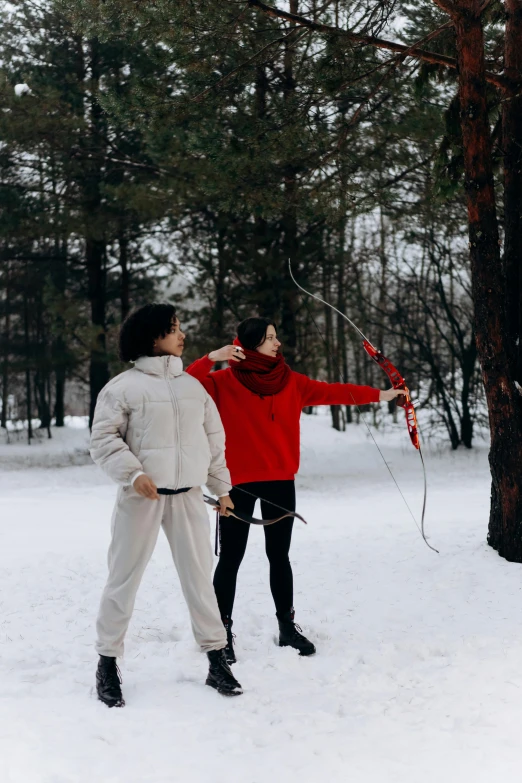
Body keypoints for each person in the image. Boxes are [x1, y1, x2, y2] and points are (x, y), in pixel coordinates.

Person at [186, 317, 406, 663]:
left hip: (279, 481)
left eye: (276, 336)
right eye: (269, 338)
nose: (277, 343)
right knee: (231, 558)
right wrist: (212, 357)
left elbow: (333, 392)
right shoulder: (221, 382)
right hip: (235, 483)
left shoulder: (290, 381)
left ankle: (286, 629)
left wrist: (381, 394)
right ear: (248, 345)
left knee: (279, 556)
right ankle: (221, 634)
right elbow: (184, 384)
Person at [90, 303, 242, 707]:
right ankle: (107, 663)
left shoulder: (193, 388)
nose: (182, 335)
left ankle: (216, 660)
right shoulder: (122, 388)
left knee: (199, 579)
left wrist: (222, 488)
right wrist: (133, 474)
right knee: (122, 578)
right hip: (140, 499)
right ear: (153, 337)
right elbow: (104, 439)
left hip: (189, 497)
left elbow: (214, 443)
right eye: (174, 328)